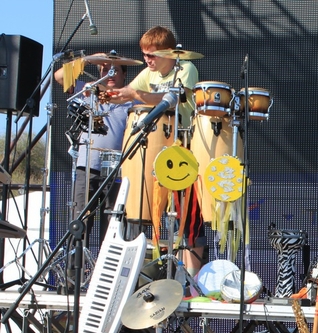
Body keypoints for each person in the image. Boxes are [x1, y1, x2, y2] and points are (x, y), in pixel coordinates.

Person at [109, 26, 205, 275]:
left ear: (168, 53)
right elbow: (128, 95)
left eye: (151, 55)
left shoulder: (186, 68)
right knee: (142, 212)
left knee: (187, 219)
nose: (147, 60)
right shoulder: (148, 73)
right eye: (144, 55)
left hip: (183, 149)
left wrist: (135, 94)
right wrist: (107, 95)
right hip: (153, 148)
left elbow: (168, 100)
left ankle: (189, 279)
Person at [54, 56, 132, 241]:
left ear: (124, 74)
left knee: (112, 225)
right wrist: (89, 59)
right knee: (79, 222)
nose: (110, 74)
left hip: (115, 170)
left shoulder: (131, 98)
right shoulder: (87, 90)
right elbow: (59, 76)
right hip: (86, 166)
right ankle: (77, 260)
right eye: (105, 70)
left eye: (115, 70)